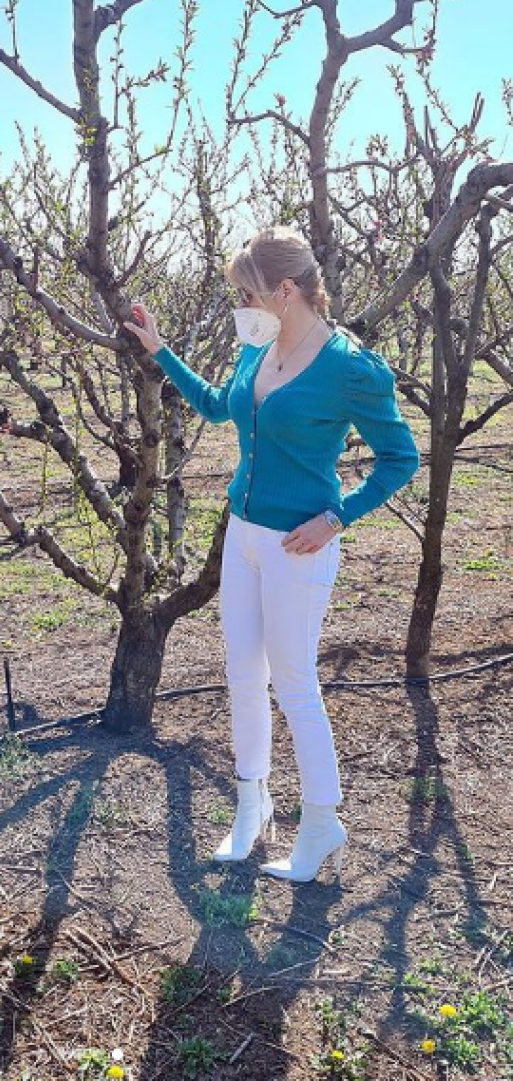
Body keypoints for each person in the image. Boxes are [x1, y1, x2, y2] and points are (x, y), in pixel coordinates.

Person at [125, 226, 419, 883]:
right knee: (242, 673)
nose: (242, 305)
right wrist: (161, 350)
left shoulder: (350, 367)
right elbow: (217, 407)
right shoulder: (257, 345)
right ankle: (251, 805)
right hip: (244, 535)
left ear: (286, 290)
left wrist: (337, 517)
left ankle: (321, 821)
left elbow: (402, 457)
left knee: (294, 682)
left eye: (247, 293)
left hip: (297, 547)